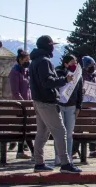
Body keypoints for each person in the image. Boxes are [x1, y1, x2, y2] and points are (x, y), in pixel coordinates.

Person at [28, 36, 81, 173]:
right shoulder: (45, 61)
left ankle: (39, 163)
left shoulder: (34, 61)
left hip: (38, 100)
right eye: (52, 45)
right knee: (60, 131)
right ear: (48, 46)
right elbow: (47, 81)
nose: (53, 48)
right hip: (47, 102)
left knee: (42, 133)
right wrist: (65, 79)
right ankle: (65, 164)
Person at [8, 49, 33, 159]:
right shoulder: (15, 72)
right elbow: (15, 92)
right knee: (25, 128)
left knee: (25, 128)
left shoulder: (26, 72)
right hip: (20, 105)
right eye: (26, 60)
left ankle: (21, 150)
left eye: (29, 60)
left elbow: (28, 89)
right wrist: (24, 103)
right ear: (20, 60)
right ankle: (32, 152)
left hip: (27, 103)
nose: (28, 62)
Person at [80, 56, 96, 158]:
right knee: (79, 128)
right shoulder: (80, 76)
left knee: (93, 128)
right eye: (89, 65)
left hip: (94, 106)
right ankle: (73, 150)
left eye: (93, 65)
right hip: (83, 106)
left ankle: (92, 150)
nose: (92, 67)